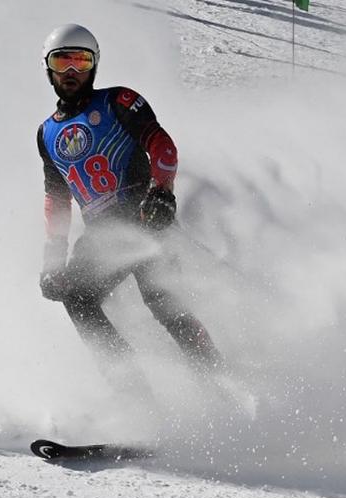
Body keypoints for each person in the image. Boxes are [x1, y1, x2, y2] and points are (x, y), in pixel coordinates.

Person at [36, 24, 222, 371]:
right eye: (63, 62)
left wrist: (161, 192)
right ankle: (132, 395)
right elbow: (57, 198)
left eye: (81, 61)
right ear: (48, 69)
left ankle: (219, 378)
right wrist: (53, 257)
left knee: (165, 303)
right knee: (75, 296)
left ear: (95, 65)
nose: (72, 71)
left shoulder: (117, 101)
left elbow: (161, 146)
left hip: (145, 217)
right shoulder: (47, 133)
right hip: (102, 236)